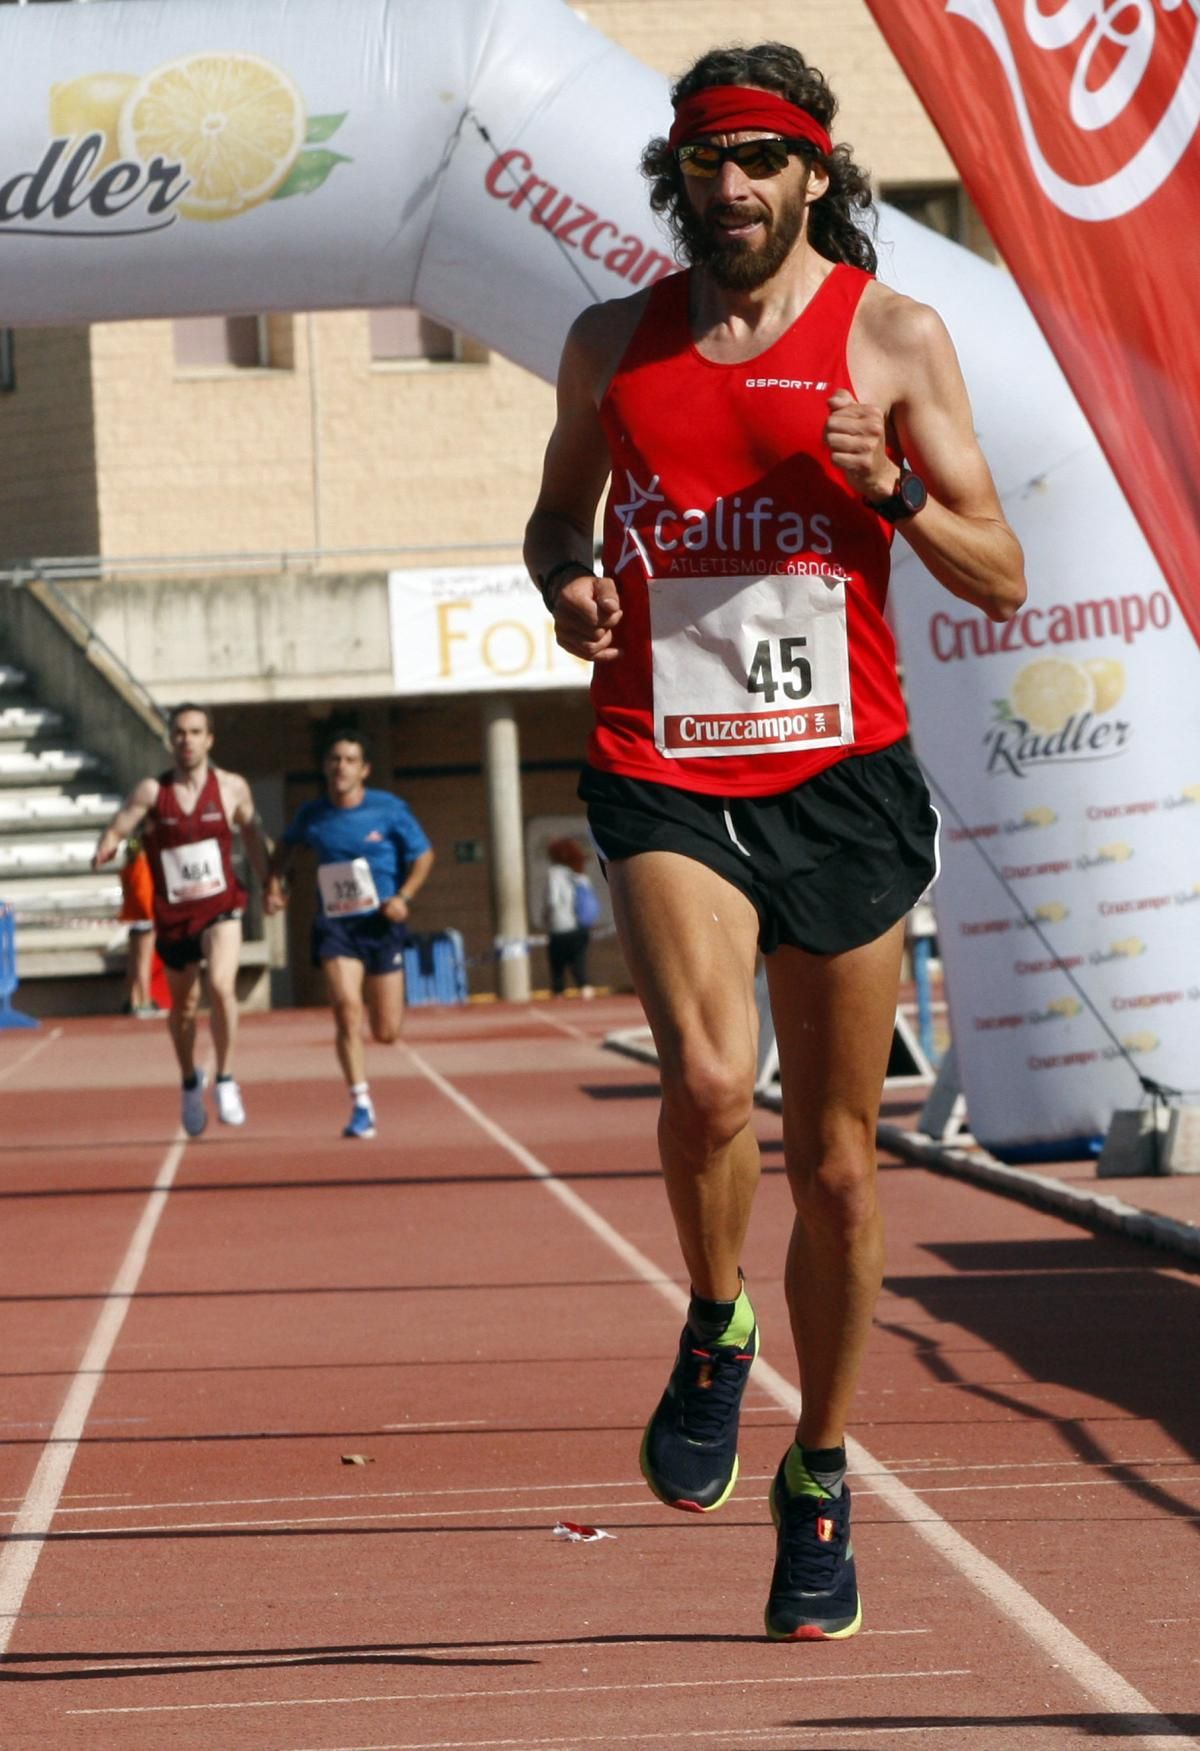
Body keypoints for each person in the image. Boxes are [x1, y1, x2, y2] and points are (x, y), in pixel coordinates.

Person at [524, 42, 1026, 1641]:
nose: (726, 191)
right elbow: (556, 516)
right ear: (675, 178)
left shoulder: (891, 333)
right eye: (702, 164)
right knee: (705, 1081)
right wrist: (568, 583)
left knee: (841, 1164)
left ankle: (818, 1470)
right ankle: (717, 1316)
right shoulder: (614, 342)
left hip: (843, 777)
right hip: (664, 759)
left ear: (815, 172)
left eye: (757, 161)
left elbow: (1000, 570)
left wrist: (892, 499)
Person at [92, 703, 270, 1136]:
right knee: (184, 1009)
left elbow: (252, 832)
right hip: (174, 918)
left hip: (221, 907)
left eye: (195, 732)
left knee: (223, 987)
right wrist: (107, 845)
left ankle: (226, 1078)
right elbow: (120, 825)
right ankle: (191, 1081)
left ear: (209, 739)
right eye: (179, 733)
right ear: (171, 740)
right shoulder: (153, 792)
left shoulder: (230, 788)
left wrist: (271, 880)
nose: (186, 740)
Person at [264, 730, 434, 1140]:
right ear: (326, 767)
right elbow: (284, 850)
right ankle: (361, 1102)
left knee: (386, 1031)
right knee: (345, 1006)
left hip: (381, 923)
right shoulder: (312, 814)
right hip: (336, 925)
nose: (340, 766)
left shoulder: (389, 810)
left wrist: (404, 897)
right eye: (334, 759)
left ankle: (371, 1061)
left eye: (349, 760)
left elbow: (424, 855)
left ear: (364, 769)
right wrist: (274, 882)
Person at [540, 836, 597, 999]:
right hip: (580, 928)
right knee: (579, 965)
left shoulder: (554, 875)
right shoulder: (580, 875)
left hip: (560, 926)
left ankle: (558, 995)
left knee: (557, 967)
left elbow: (552, 900)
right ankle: (586, 993)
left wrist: (546, 917)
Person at [118, 834, 162, 1017]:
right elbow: (144, 895)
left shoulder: (128, 866)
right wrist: (153, 915)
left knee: (134, 963)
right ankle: (144, 1000)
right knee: (143, 963)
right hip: (145, 919)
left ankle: (131, 998)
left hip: (134, 918)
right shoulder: (142, 865)